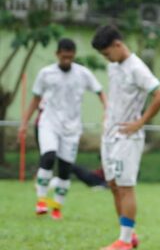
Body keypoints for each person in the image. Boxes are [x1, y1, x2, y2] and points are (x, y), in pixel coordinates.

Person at [91, 25, 160, 250]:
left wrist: (140, 122)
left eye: (107, 53)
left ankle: (124, 241)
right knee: (114, 185)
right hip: (110, 134)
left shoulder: (137, 68)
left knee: (126, 186)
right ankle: (128, 235)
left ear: (118, 44)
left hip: (128, 137)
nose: (107, 58)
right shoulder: (114, 66)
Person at [18, 38, 105, 219]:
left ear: (73, 56)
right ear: (57, 54)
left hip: (72, 128)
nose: (66, 60)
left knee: (65, 169)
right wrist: (24, 123)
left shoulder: (83, 74)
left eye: (70, 57)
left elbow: (100, 91)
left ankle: (56, 207)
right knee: (48, 157)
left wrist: (107, 111)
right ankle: (41, 201)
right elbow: (35, 98)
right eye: (64, 57)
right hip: (49, 122)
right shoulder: (46, 73)